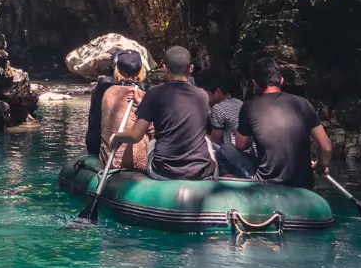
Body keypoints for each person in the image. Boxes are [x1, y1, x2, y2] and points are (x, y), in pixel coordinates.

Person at [105, 45, 217, 180]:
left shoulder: (154, 93)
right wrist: (143, 105)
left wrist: (116, 137)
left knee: (153, 141)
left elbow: (135, 136)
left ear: (165, 69)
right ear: (191, 69)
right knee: (207, 141)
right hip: (199, 171)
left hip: (163, 171)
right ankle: (213, 180)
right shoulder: (203, 96)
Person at [234, 57, 334, 188]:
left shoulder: (249, 107)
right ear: (281, 81)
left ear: (254, 83)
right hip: (303, 184)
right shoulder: (303, 104)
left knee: (226, 150)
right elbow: (326, 147)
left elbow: (240, 145)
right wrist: (321, 166)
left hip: (268, 182)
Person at [97, 53, 149, 171]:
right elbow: (153, 131)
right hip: (138, 162)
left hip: (110, 160)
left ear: (118, 70)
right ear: (141, 71)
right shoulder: (143, 96)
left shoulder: (108, 92)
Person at [206, 73, 256, 179]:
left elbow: (215, 140)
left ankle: (226, 178)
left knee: (213, 146)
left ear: (218, 92)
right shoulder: (240, 103)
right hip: (251, 156)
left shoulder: (218, 108)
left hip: (234, 156)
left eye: (208, 94)